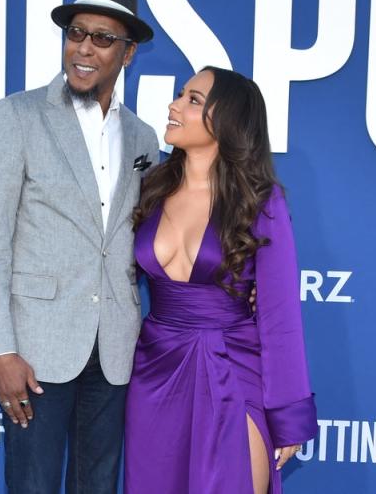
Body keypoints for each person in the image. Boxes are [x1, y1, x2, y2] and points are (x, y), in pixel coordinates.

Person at [0, 0, 159, 493]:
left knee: (97, 486)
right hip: (35, 348)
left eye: (102, 38)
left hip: (116, 347)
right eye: (77, 33)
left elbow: (147, 238)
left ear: (128, 53)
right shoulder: (17, 117)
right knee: (32, 485)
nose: (84, 48)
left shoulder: (143, 136)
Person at [124, 67, 318, 494]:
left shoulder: (261, 202)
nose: (174, 106)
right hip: (154, 372)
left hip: (231, 368)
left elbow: (280, 314)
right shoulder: (150, 189)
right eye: (180, 95)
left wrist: (288, 414)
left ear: (226, 121)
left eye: (193, 100)